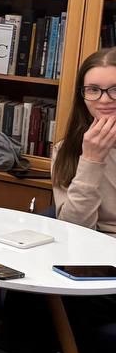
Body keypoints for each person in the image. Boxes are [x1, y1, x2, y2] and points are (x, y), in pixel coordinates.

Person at [52, 47, 116, 233]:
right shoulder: (66, 149)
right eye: (93, 89)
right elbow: (73, 230)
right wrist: (91, 160)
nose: (104, 99)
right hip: (93, 245)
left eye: (115, 89)